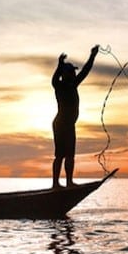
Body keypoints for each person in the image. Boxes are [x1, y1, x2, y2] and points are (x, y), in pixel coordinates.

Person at [51, 45, 99, 188]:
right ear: (64, 74)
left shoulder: (73, 84)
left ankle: (69, 182)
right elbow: (54, 78)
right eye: (71, 72)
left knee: (70, 155)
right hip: (60, 125)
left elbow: (85, 71)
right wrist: (59, 65)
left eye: (73, 72)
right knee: (60, 155)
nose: (73, 74)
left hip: (69, 125)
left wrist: (92, 56)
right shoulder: (59, 85)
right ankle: (55, 184)